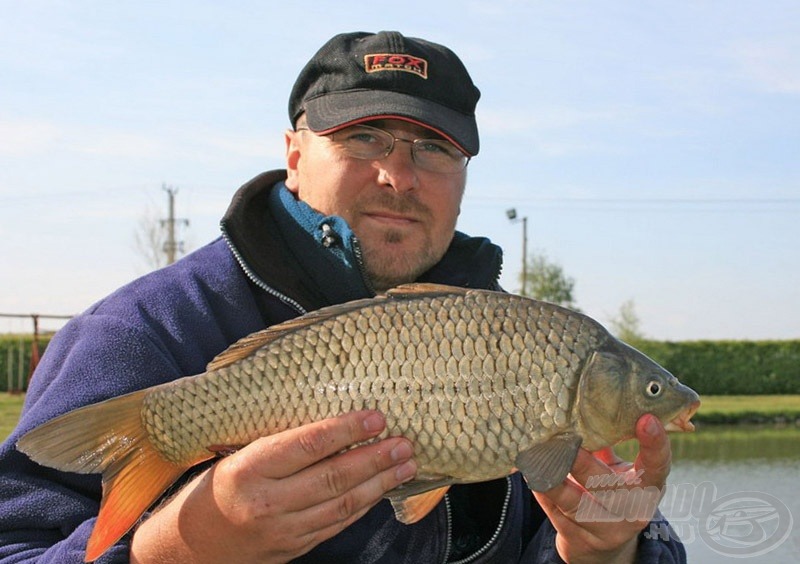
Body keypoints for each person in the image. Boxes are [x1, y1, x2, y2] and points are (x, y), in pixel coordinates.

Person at [0, 31, 686, 563]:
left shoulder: (515, 338)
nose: (398, 174)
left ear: (466, 173)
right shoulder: (138, 333)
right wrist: (178, 548)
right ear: (295, 151)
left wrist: (606, 549)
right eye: (363, 137)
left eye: (433, 148)